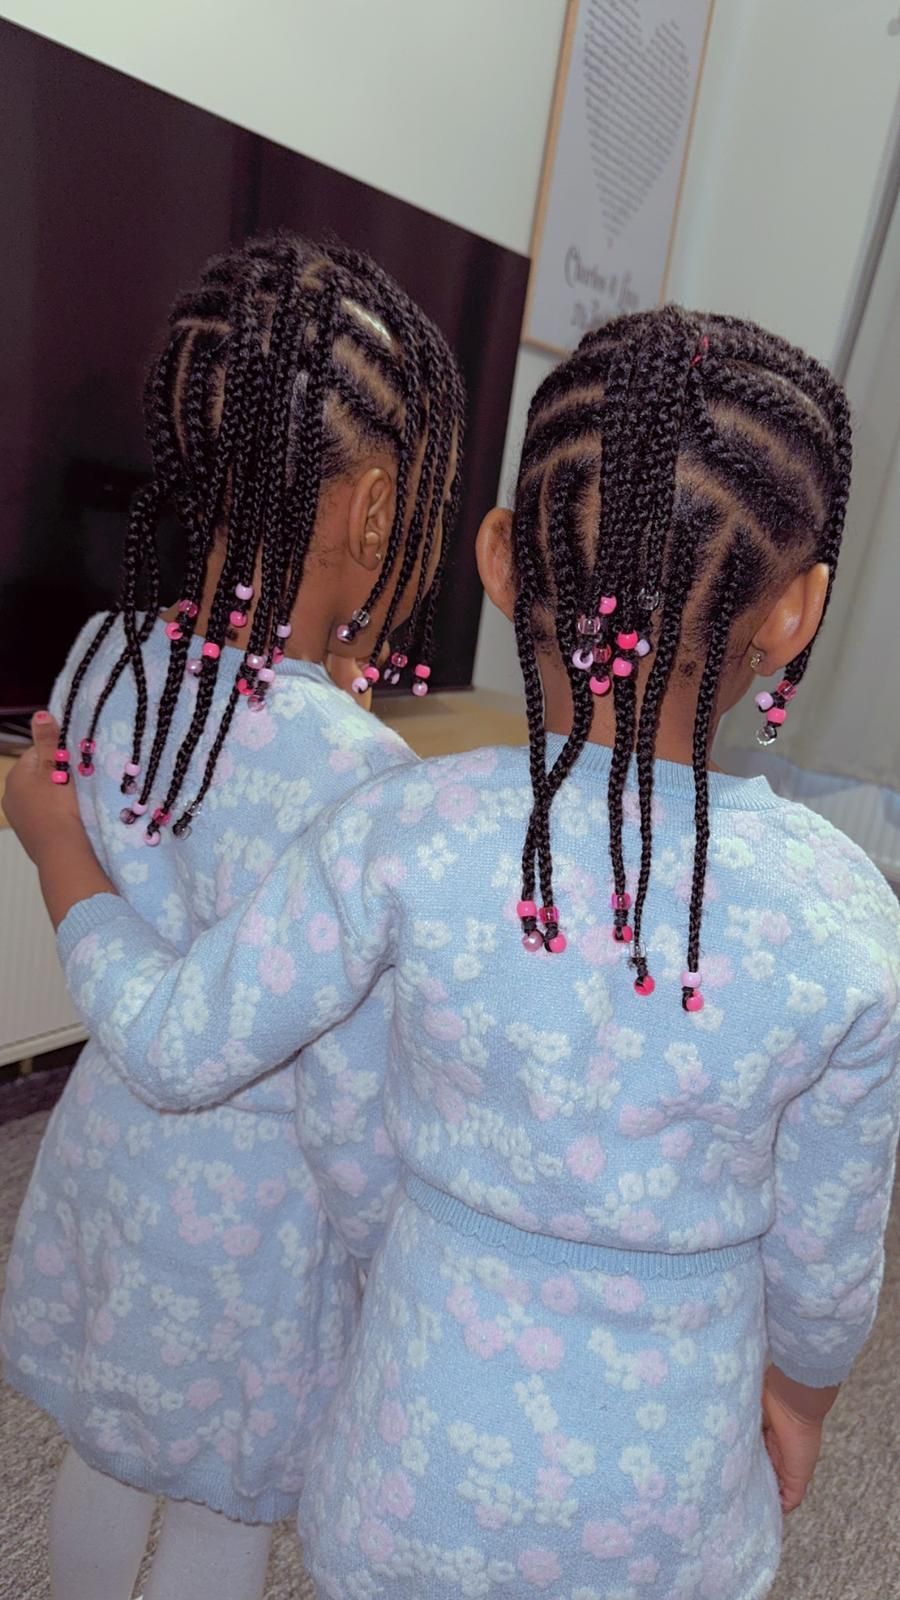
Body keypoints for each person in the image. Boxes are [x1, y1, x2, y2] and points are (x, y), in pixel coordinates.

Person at [7, 307, 900, 1600]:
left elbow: (327, 1111)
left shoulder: (403, 830)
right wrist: (803, 1396)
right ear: (798, 612)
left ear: (498, 556)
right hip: (665, 1495)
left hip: (410, 1451)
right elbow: (827, 1261)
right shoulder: (848, 920)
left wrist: (396, 1256)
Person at [0, 231, 464, 1600]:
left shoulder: (99, 657)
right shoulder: (357, 775)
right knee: (225, 1498)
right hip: (258, 1225)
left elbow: (193, 817)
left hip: (108, 1166)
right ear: (376, 515)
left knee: (107, 1448)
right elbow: (346, 1066)